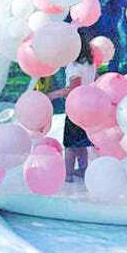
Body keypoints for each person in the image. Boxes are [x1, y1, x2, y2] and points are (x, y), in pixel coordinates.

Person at [48, 34, 95, 182]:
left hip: (75, 109)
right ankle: (83, 170)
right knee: (81, 143)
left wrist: (53, 94)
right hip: (87, 108)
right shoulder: (89, 63)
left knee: (69, 144)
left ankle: (68, 174)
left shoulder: (74, 66)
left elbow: (74, 88)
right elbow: (94, 79)